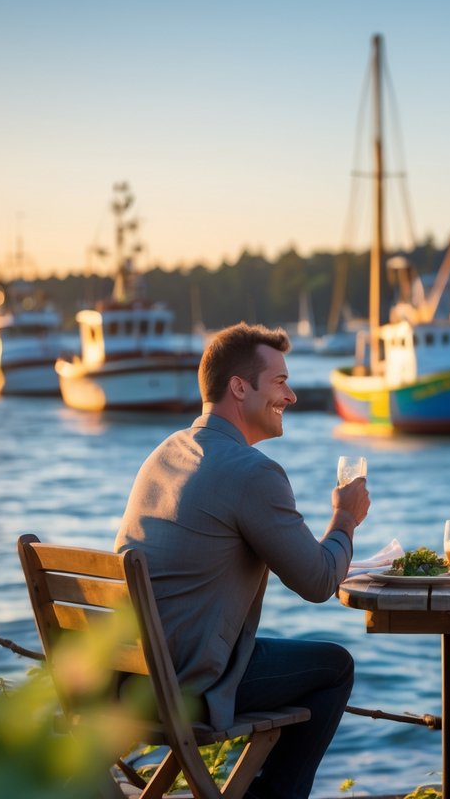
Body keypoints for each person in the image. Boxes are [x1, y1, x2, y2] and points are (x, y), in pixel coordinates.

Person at [115, 322, 370, 799]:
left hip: (125, 678)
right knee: (335, 667)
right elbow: (318, 582)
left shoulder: (166, 452)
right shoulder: (252, 472)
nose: (291, 397)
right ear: (239, 387)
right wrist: (345, 519)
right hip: (184, 685)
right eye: (280, 382)